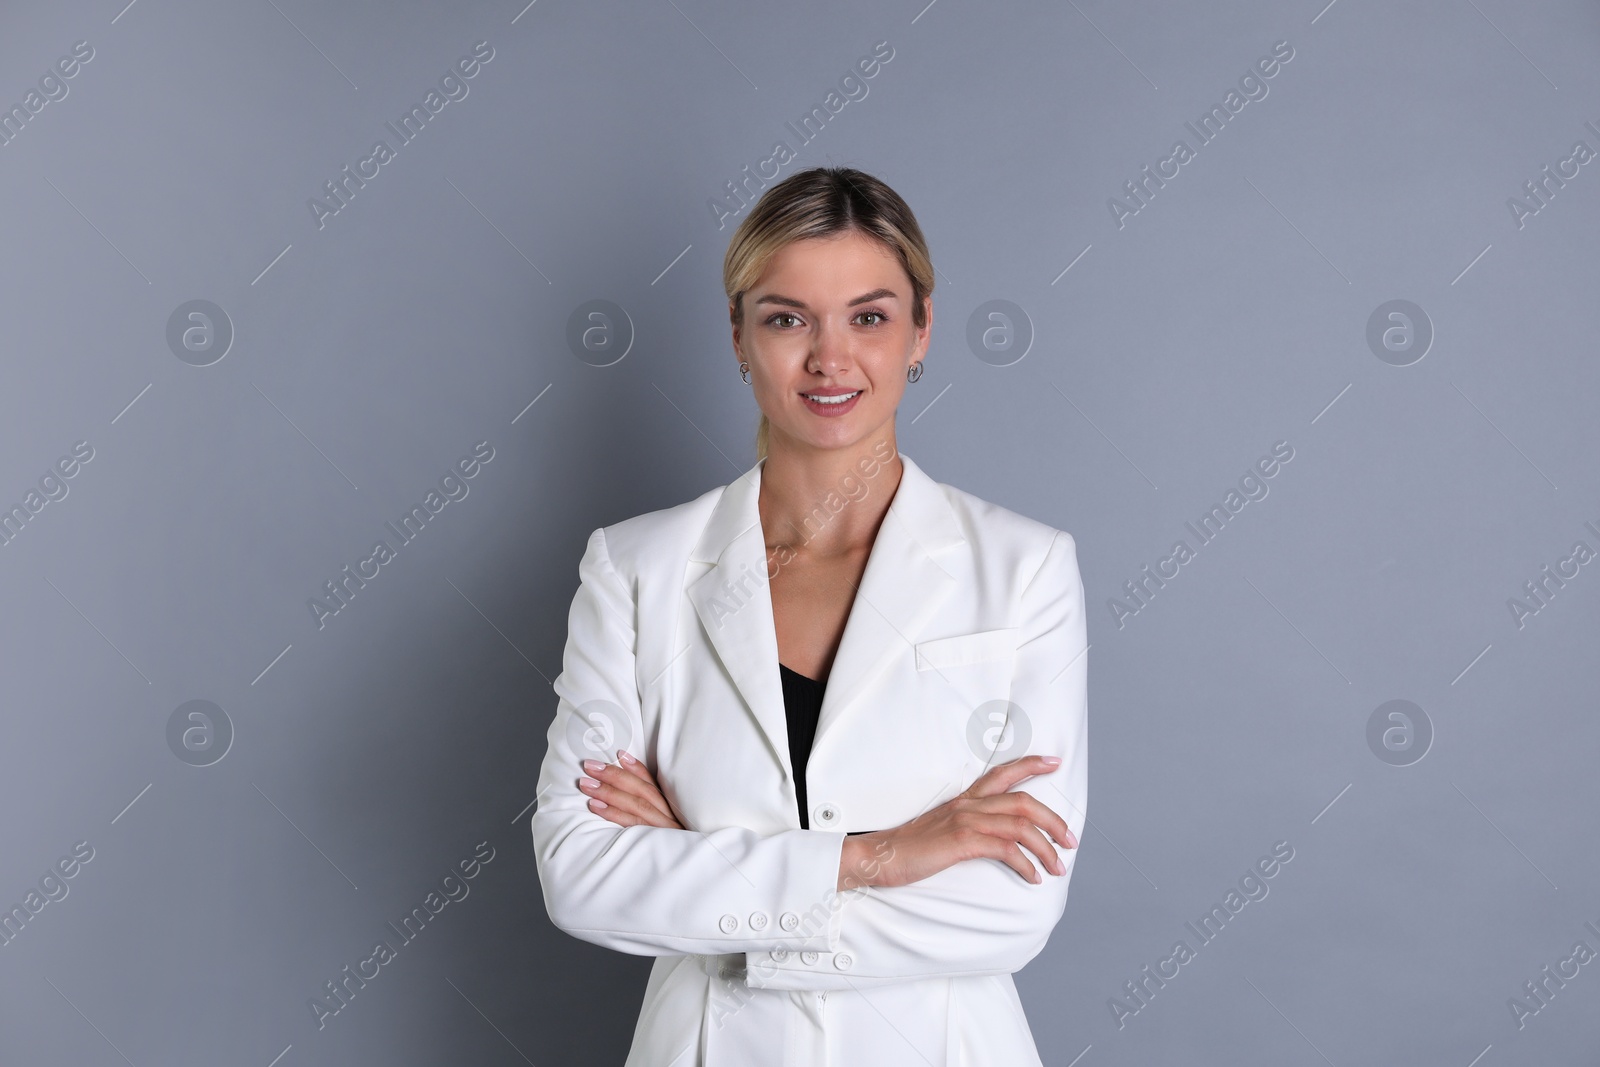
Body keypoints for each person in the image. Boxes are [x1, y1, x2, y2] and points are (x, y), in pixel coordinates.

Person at [531, 166, 1088, 1066]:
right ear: (740, 337)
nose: (831, 358)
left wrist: (698, 864)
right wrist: (886, 855)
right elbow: (583, 876)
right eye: (788, 318)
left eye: (868, 316)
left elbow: (1014, 906)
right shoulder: (635, 568)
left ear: (922, 330)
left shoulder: (1025, 569)